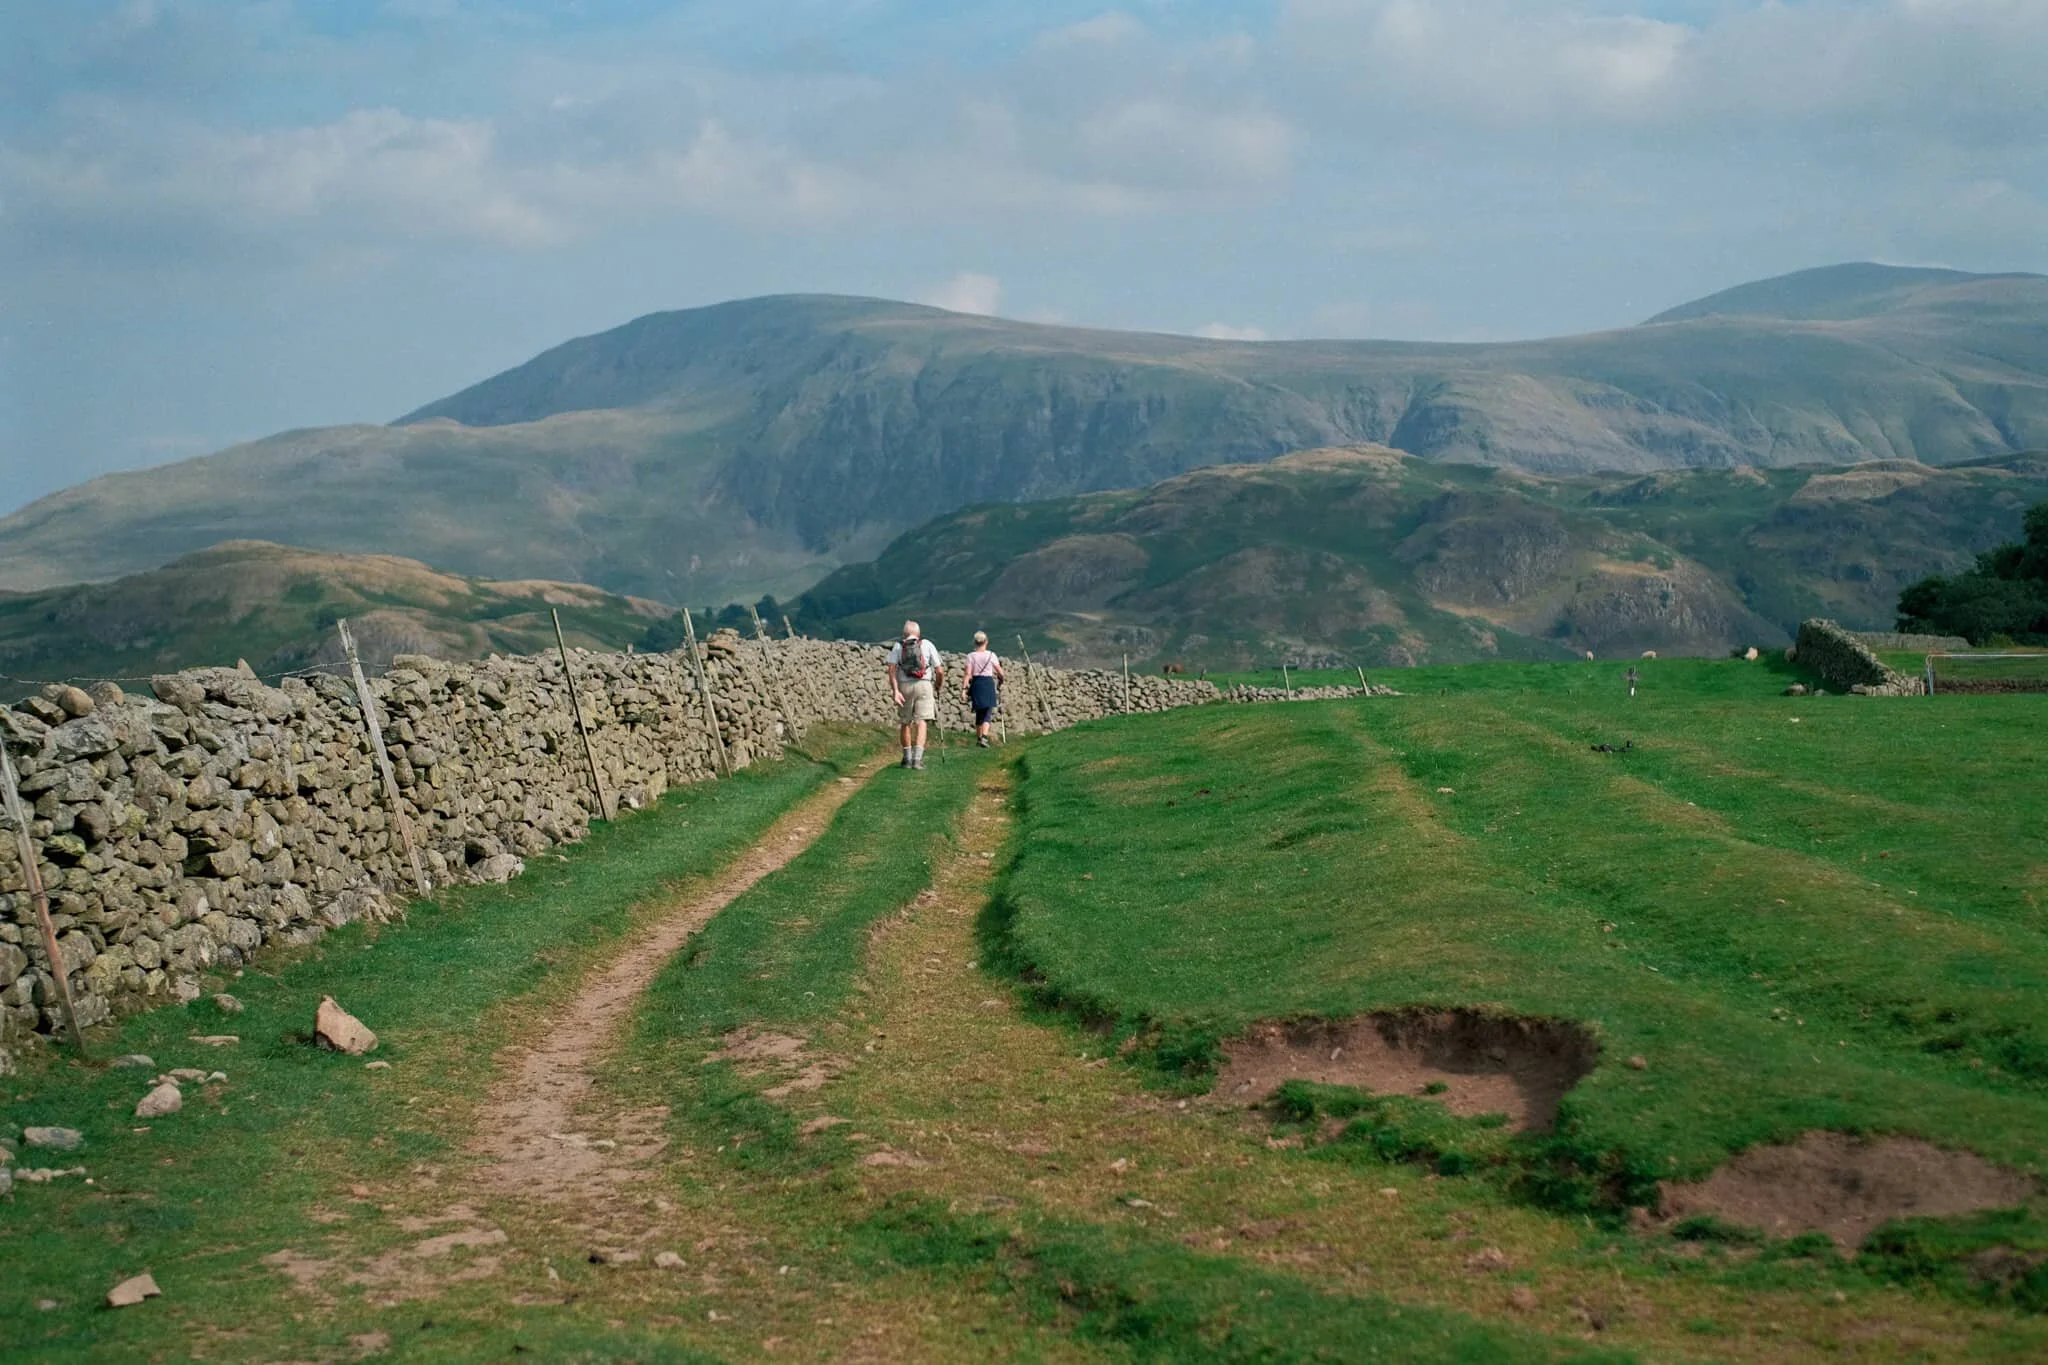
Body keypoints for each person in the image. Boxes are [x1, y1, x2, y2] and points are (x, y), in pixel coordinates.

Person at [885, 620, 943, 769]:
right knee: (921, 722)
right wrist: (937, 685)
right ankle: (917, 760)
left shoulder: (898, 646)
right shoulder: (927, 644)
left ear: (904, 633)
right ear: (918, 633)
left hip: (904, 686)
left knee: (906, 722)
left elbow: (891, 669)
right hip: (924, 684)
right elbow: (939, 670)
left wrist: (895, 691)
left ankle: (907, 758)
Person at [962, 631, 1005, 747]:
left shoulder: (971, 656)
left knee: (979, 712)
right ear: (986, 641)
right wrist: (1001, 680)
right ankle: (984, 737)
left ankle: (979, 738)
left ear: (974, 642)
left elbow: (967, 674)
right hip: (987, 683)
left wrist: (964, 689)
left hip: (976, 684)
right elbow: (1000, 672)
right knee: (987, 711)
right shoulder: (991, 655)